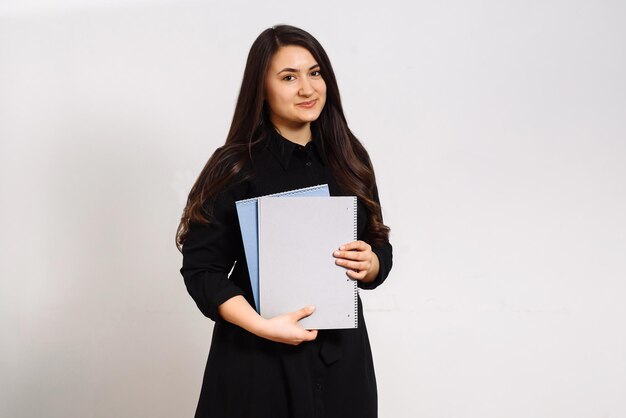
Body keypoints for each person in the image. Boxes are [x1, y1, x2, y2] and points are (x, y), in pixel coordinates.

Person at [176, 24, 393, 418]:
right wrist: (262, 326)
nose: (307, 89)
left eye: (315, 73)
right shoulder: (234, 166)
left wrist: (372, 262)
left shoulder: (350, 158)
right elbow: (201, 270)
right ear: (261, 89)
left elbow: (379, 243)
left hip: (342, 362)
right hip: (256, 363)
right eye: (289, 77)